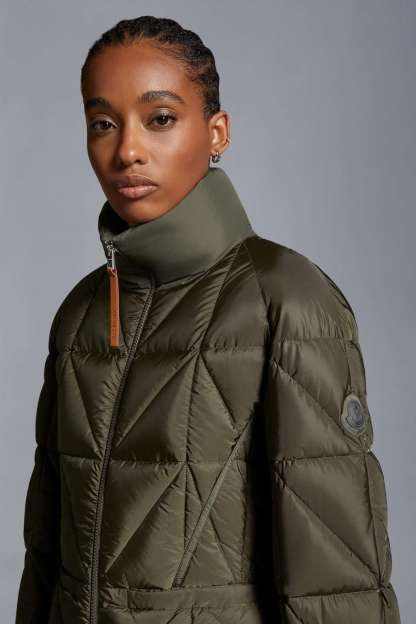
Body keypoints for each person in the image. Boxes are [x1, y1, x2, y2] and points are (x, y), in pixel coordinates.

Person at [15, 15, 401, 624]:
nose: (127, 150)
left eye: (160, 118)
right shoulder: (82, 313)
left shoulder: (285, 297)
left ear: (216, 131)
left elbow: (337, 583)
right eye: (103, 124)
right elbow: (44, 554)